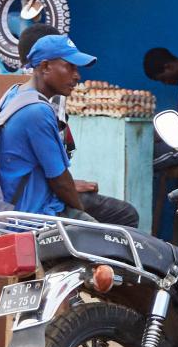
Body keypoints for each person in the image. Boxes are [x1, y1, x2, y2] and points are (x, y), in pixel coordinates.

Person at [14, 24, 140, 227]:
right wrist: (85, 219)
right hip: (37, 207)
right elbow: (60, 181)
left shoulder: (17, 94)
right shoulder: (39, 110)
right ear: (45, 67)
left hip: (30, 197)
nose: (77, 76)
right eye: (70, 66)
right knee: (125, 216)